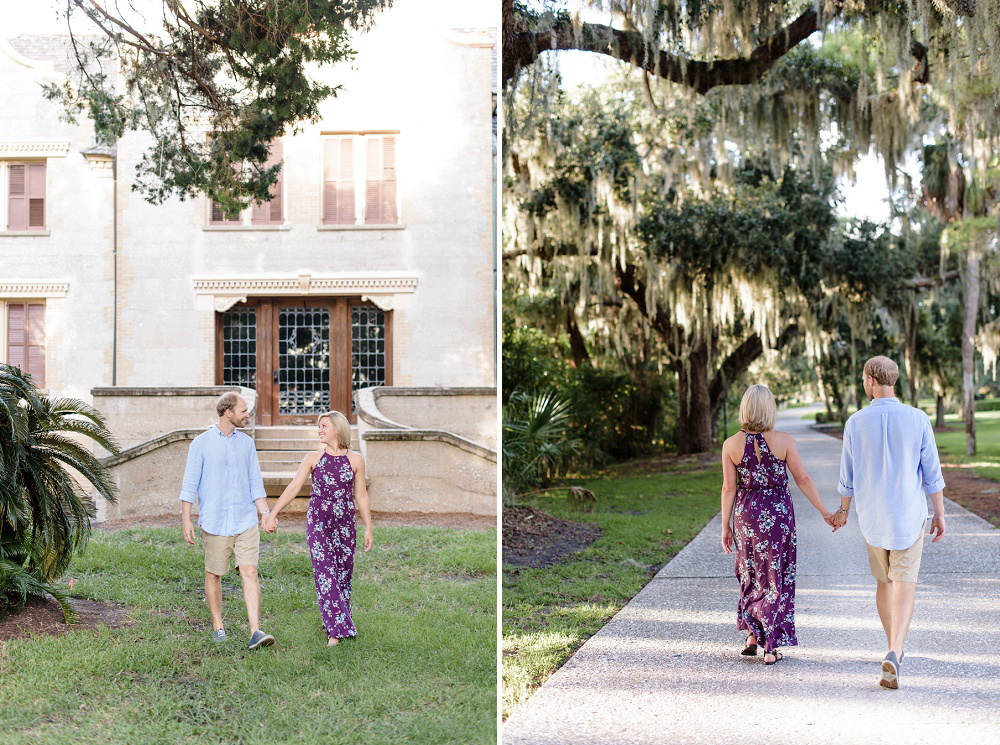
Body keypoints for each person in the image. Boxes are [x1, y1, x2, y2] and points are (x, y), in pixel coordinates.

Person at [834, 355, 946, 689]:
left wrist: (842, 510)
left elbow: (847, 477)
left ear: (870, 379)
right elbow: (932, 473)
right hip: (909, 518)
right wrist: (939, 513)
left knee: (884, 583)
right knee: (905, 585)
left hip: (872, 520)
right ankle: (895, 650)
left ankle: (892, 647)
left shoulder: (855, 422)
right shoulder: (918, 418)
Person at [721, 384, 836, 665]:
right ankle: (770, 647)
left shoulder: (731, 444)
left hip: (746, 516)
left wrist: (725, 526)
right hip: (778, 517)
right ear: (770, 409)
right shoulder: (784, 440)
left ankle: (751, 634)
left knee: (750, 573)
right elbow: (803, 480)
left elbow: (728, 488)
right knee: (775, 576)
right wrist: (824, 511)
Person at [263, 410, 373, 646]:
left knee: (343, 573)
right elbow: (294, 487)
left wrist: (368, 528)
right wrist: (273, 513)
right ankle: (336, 631)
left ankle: (337, 620)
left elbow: (361, 495)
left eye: (323, 426)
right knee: (325, 573)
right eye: (319, 426)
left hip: (345, 523)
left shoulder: (355, 460)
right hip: (318, 523)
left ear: (337, 429)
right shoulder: (313, 458)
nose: (319, 430)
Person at [180, 392, 275, 650]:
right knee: (214, 574)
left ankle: (256, 630)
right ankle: (218, 626)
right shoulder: (200, 444)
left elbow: (255, 482)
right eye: (243, 411)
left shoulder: (246, 444)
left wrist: (265, 513)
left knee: (250, 571)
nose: (248, 414)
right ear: (228, 412)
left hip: (245, 520)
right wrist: (186, 518)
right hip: (215, 520)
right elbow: (190, 484)